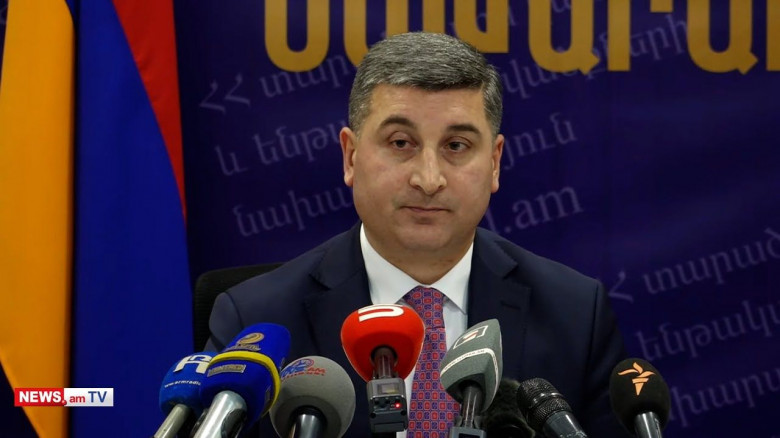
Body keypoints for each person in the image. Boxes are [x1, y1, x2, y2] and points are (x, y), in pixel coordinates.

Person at [207, 32, 629, 437]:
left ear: (495, 162)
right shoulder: (257, 321)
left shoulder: (576, 316)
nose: (429, 179)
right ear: (350, 156)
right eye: (400, 143)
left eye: (456, 146)